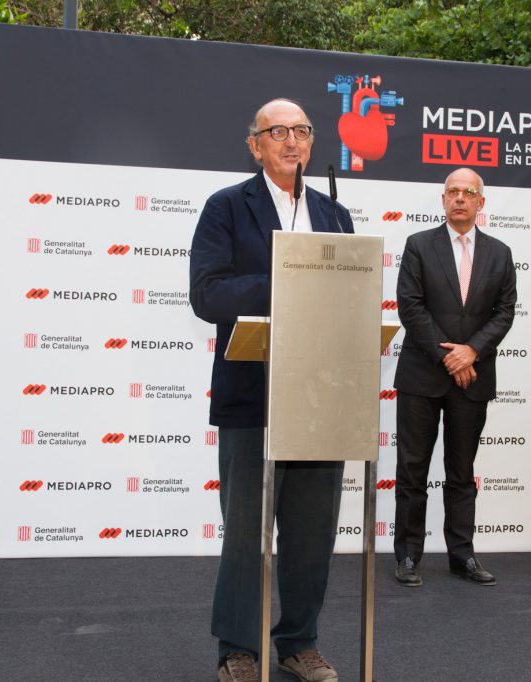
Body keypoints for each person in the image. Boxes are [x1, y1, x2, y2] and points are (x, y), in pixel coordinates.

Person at [190, 98, 351, 682]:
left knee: (311, 534)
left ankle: (298, 641)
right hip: (251, 395)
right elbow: (206, 295)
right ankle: (238, 647)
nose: (291, 140)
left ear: (311, 145)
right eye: (277, 131)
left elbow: (345, 296)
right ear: (254, 144)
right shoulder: (227, 208)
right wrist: (286, 279)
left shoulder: (335, 215)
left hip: (322, 396)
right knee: (246, 534)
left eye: (301, 131)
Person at [392, 167, 517, 587]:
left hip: (473, 376)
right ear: (443, 200)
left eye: (469, 192)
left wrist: (472, 351)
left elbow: (504, 312)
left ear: (481, 203)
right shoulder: (418, 245)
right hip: (422, 374)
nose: (460, 198)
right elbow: (410, 307)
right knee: (412, 469)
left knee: (462, 472)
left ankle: (462, 555)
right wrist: (449, 356)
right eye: (453, 192)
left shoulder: (500, 253)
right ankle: (408, 555)